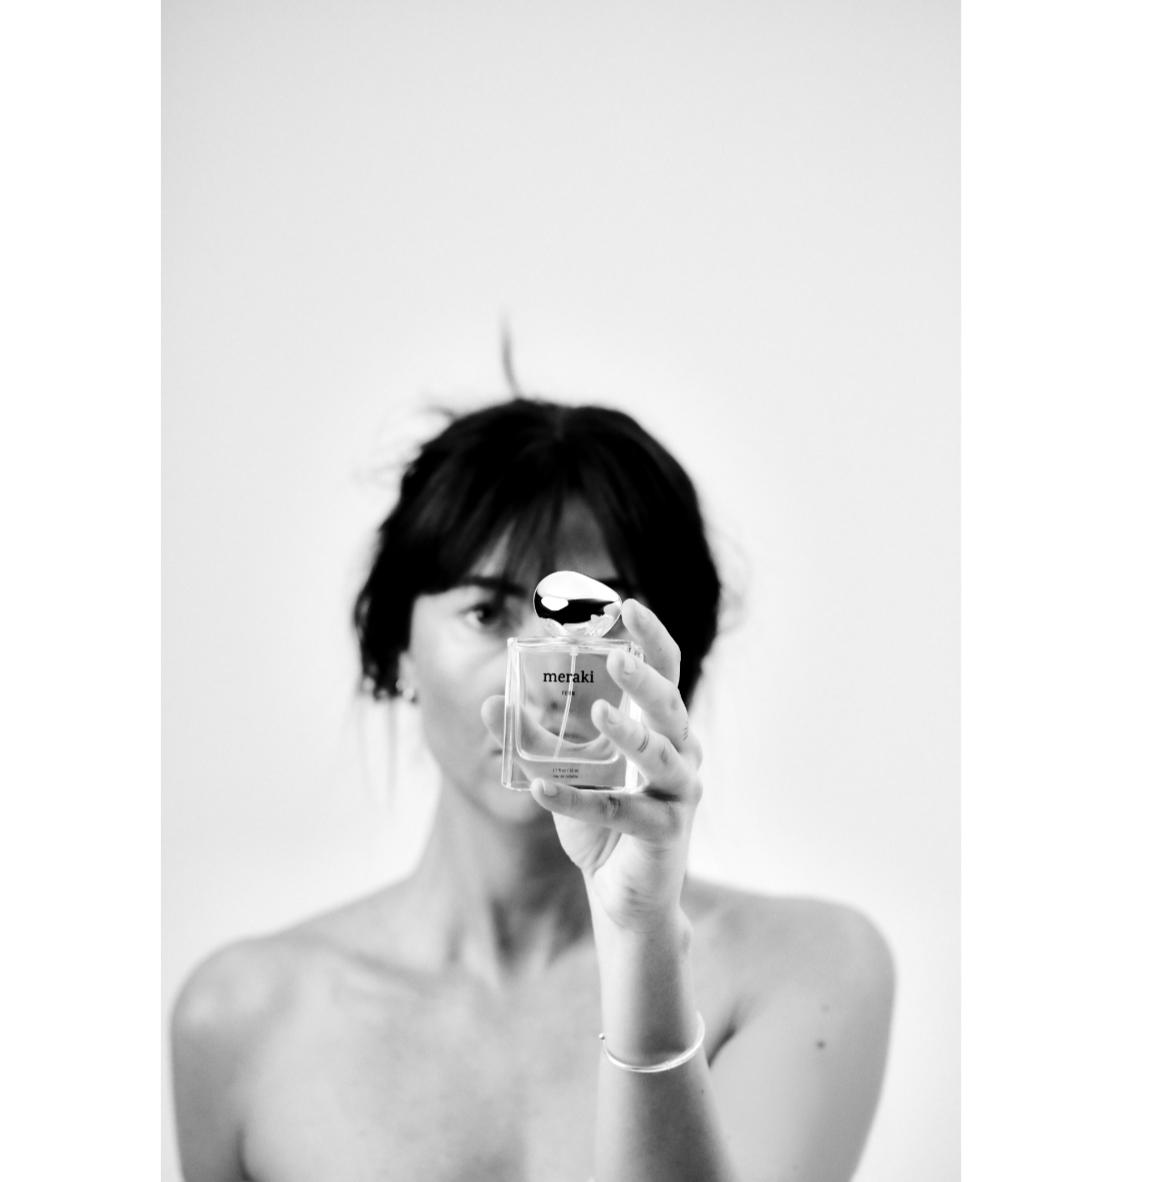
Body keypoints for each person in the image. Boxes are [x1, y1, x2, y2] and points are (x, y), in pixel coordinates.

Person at [171, 398, 894, 1182]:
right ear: (396, 651)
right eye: (486, 612)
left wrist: (641, 936)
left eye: (597, 618)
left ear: (666, 655)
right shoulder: (244, 1018)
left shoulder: (807, 970)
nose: (545, 677)